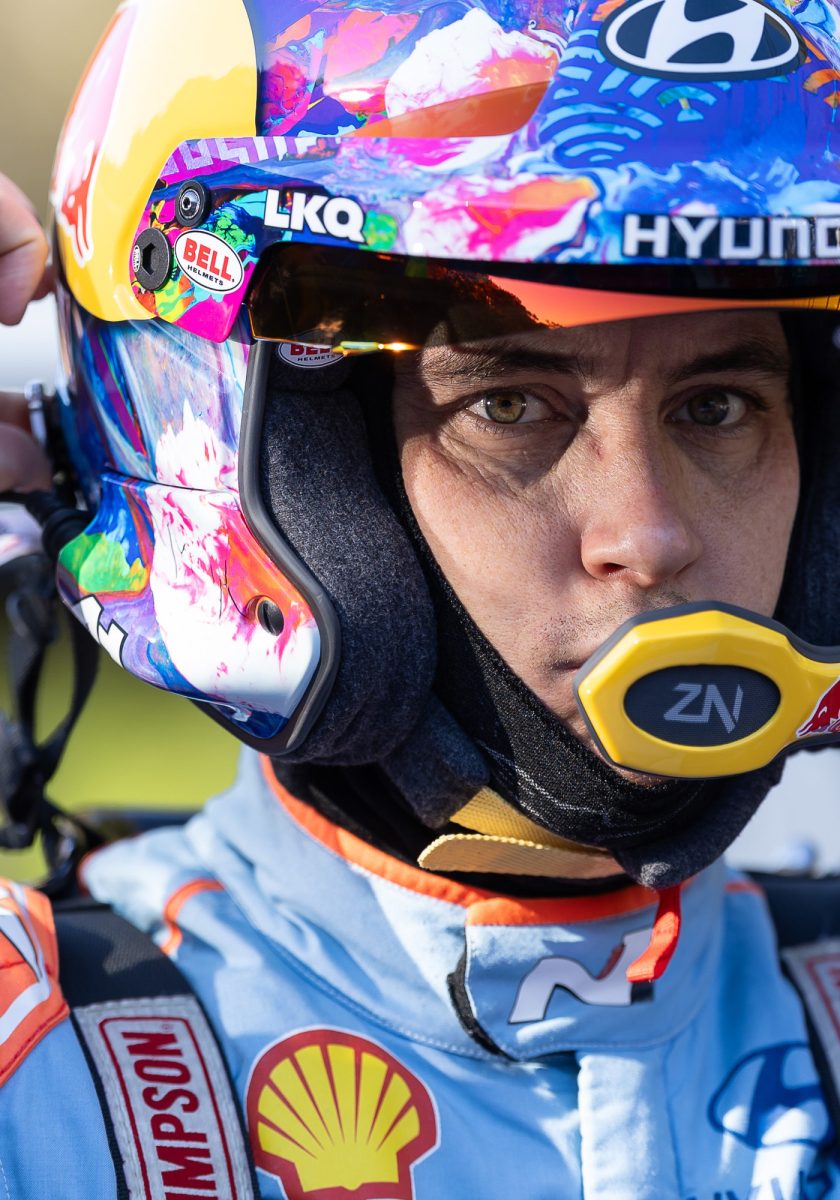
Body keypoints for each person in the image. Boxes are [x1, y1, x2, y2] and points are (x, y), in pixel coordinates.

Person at [3, 0, 840, 1196]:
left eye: (716, 408)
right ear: (284, 467)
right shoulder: (42, 1080)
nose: (649, 537)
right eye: (510, 407)